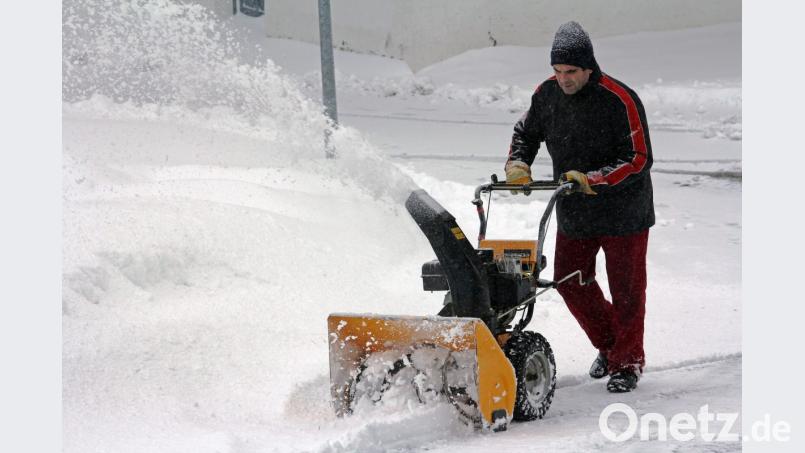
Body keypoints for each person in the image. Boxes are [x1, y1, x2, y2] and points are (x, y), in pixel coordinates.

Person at [504, 21, 654, 393]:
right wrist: (518, 164)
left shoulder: (620, 98)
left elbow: (639, 157)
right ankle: (610, 345)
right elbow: (526, 132)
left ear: (589, 67)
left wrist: (594, 179)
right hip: (575, 209)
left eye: (571, 71)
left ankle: (627, 362)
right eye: (557, 71)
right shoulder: (547, 95)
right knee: (570, 281)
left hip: (625, 213)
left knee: (627, 291)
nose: (563, 79)